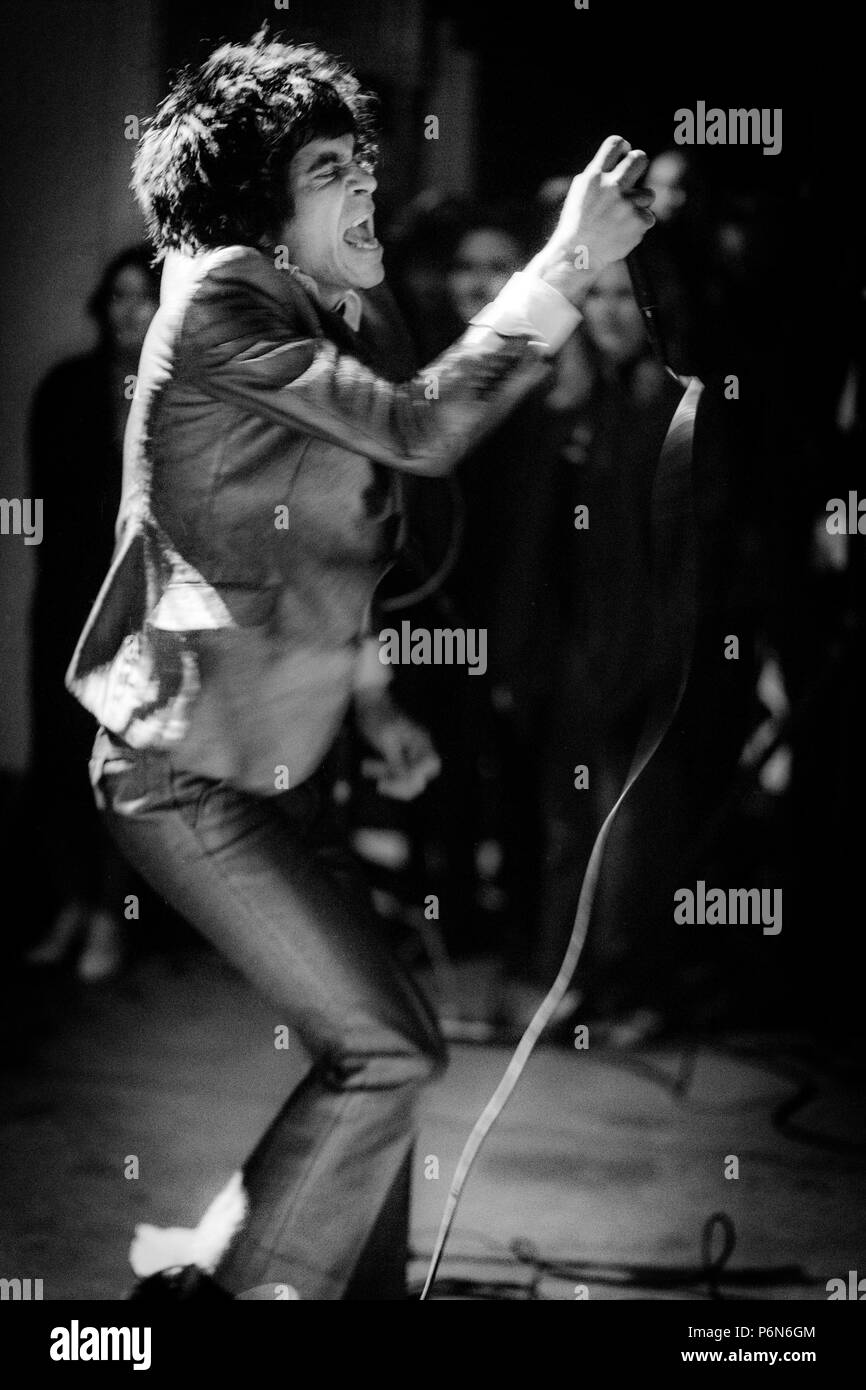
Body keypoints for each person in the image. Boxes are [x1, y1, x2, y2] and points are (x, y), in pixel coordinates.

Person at [64, 30, 655, 1299]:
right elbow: (419, 429)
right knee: (384, 1051)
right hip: (186, 775)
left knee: (389, 1042)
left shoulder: (308, 302)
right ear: (254, 202)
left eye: (363, 159)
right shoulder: (221, 294)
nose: (365, 184)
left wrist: (373, 696)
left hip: (278, 760)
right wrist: (567, 263)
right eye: (332, 167)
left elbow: (298, 540)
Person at [26, 248, 159, 981]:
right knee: (57, 757)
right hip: (68, 598)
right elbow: (39, 505)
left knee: (122, 765)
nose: (127, 311)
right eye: (117, 296)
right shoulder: (66, 387)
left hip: (143, 606)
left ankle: (112, 915)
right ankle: (70, 904)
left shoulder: (179, 391)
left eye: (143, 297)